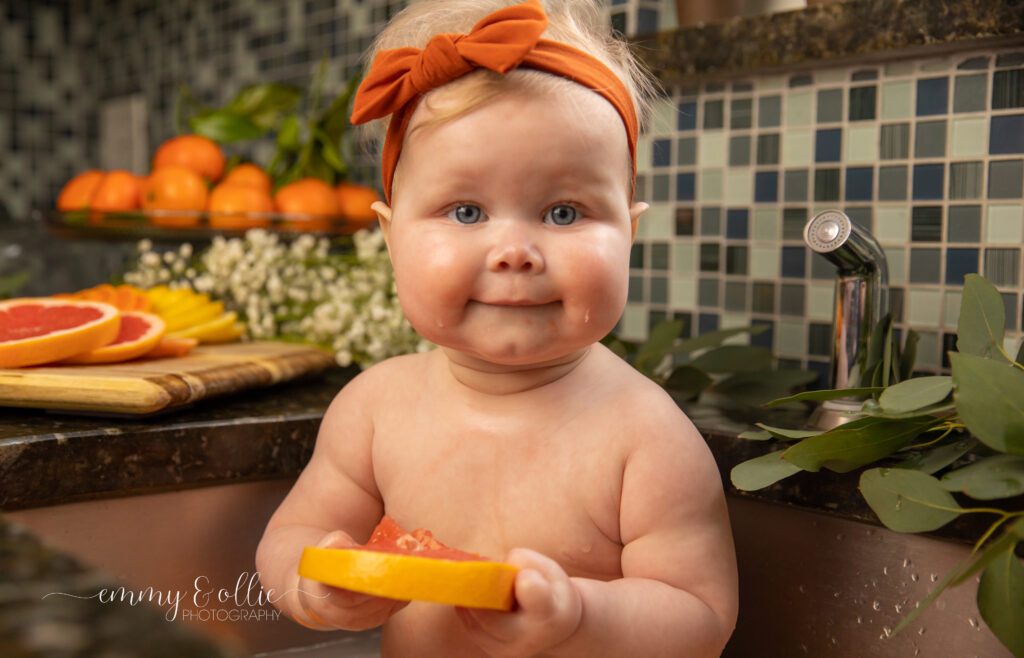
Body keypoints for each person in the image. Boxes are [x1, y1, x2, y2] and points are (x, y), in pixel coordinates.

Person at [255, 1, 738, 655]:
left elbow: (702, 618)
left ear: (631, 232)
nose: (515, 250)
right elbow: (290, 539)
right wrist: (314, 586)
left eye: (564, 212)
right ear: (391, 238)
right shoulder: (372, 410)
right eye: (465, 210)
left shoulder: (647, 440)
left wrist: (580, 616)